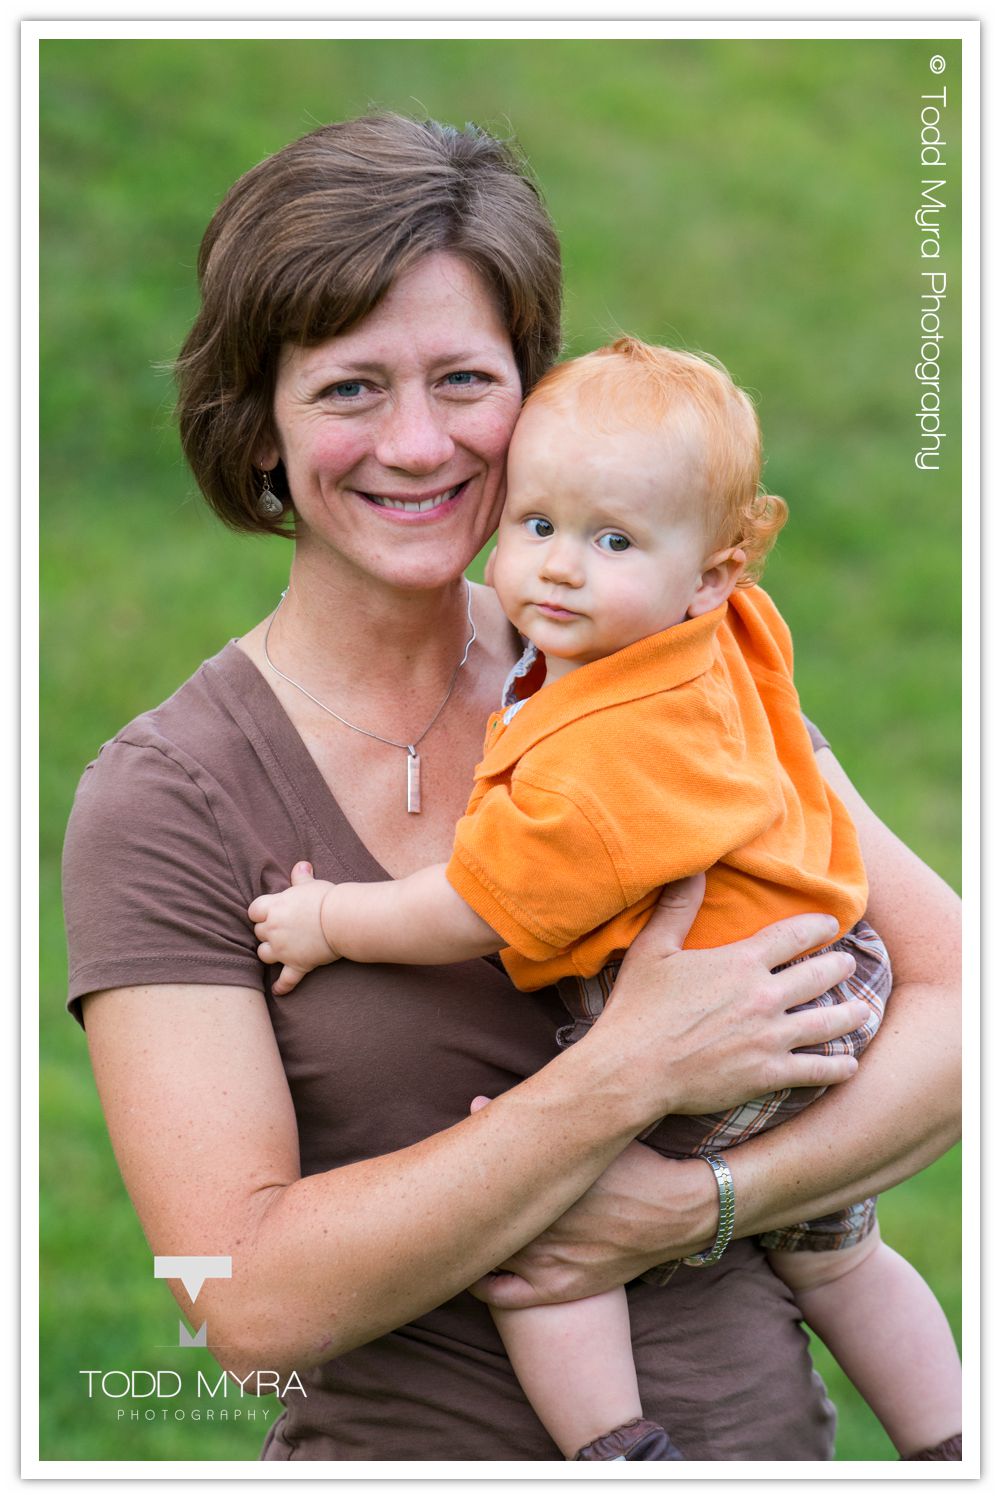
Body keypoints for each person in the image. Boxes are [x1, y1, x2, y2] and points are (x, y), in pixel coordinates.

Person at [61, 114, 962, 1463]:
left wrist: (705, 1201)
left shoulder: (664, 661)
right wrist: (624, 1074)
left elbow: (960, 1009)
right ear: (258, 430)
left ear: (535, 403)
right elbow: (239, 1303)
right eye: (349, 389)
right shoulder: (172, 798)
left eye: (463, 381)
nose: (418, 444)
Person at [247, 336, 962, 1462]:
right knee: (841, 1258)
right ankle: (951, 1444)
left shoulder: (601, 754)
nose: (560, 569)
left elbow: (476, 906)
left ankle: (619, 1452)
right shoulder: (717, 634)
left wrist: (329, 921)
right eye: (535, 524)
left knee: (537, 1241)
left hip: (726, 1013)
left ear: (714, 572)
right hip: (826, 970)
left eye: (613, 541)